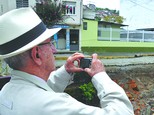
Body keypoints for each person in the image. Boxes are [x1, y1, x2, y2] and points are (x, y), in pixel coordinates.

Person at [0, 8, 134, 115]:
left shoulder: (5, 92)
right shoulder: (54, 105)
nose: (54, 50)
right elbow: (124, 112)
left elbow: (38, 89)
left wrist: (66, 71)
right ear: (37, 54)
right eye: (50, 44)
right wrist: (100, 75)